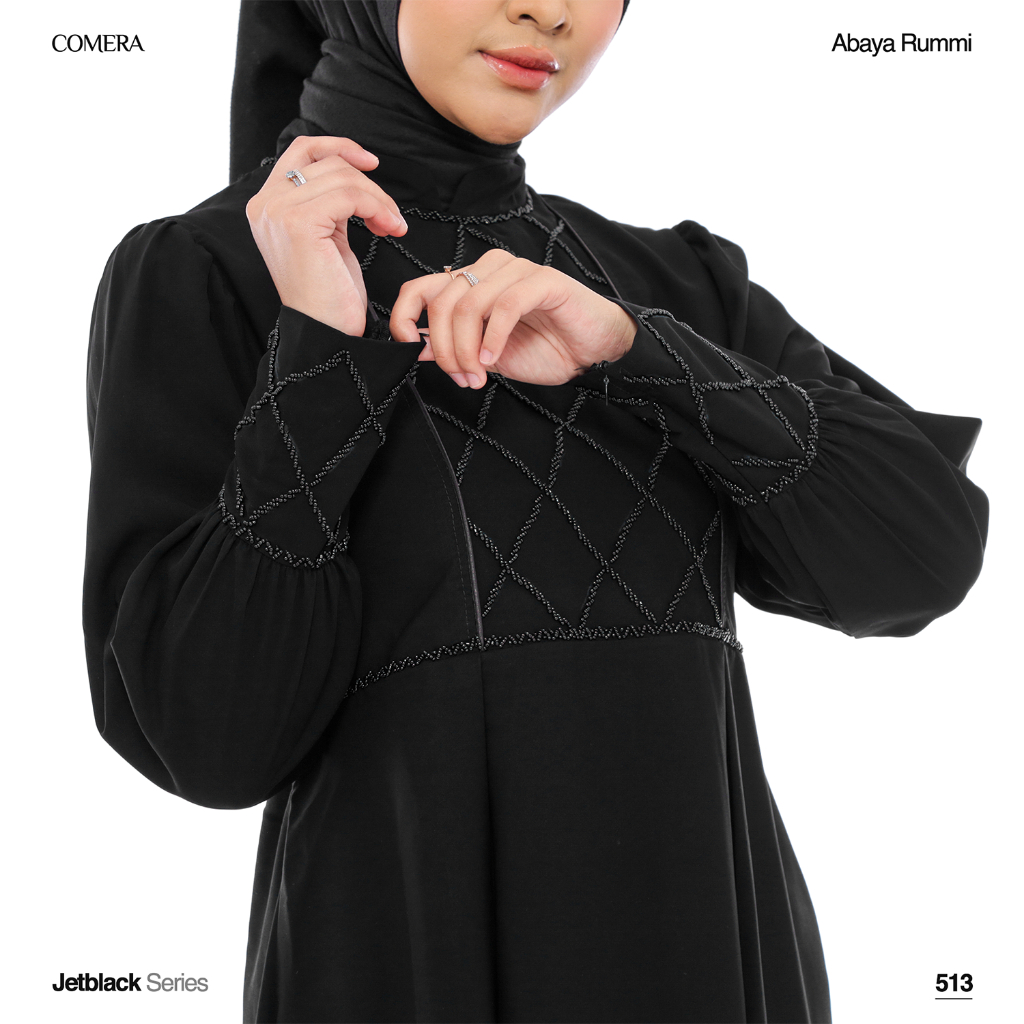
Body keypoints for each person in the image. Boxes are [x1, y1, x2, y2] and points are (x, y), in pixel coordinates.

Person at [83, 2, 988, 1022]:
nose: (548, 10)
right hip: (405, 975)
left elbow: (921, 558)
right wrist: (320, 353)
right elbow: (205, 740)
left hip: (715, 973)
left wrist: (639, 353)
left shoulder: (674, 284)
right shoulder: (207, 272)